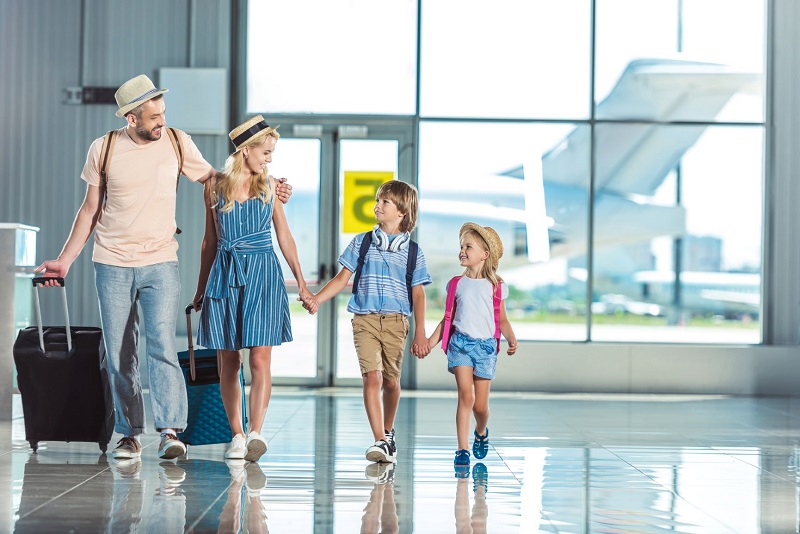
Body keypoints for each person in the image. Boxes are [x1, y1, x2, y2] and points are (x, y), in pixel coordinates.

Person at [34, 74, 292, 462]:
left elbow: (218, 178)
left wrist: (268, 184)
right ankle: (129, 434)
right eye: (154, 116)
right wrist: (64, 260)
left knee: (161, 347)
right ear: (131, 119)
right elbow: (89, 210)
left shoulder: (175, 141)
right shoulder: (103, 149)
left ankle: (171, 432)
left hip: (160, 260)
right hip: (112, 261)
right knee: (121, 353)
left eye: (163, 113)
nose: (162, 121)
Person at [192, 115, 314, 462]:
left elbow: (284, 236)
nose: (269, 158)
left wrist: (302, 283)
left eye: (271, 152)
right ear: (245, 150)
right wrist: (201, 289)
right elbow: (209, 242)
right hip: (226, 273)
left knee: (260, 359)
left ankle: (256, 432)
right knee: (229, 361)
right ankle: (237, 434)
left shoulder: (271, 187)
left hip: (263, 273)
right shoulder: (214, 187)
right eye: (265, 151)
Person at [304, 180, 431, 463]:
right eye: (377, 200)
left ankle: (388, 430)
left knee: (391, 382)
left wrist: (421, 333)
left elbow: (419, 295)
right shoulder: (361, 243)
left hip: (397, 323)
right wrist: (317, 300)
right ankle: (379, 441)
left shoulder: (413, 252)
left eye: (385, 202)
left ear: (402, 211)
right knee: (371, 377)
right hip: (365, 319)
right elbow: (341, 279)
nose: (377, 205)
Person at [423, 223, 518, 468]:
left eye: (468, 247)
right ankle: (462, 449)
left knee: (480, 406)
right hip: (460, 346)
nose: (462, 251)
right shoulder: (456, 284)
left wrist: (511, 337)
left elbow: (502, 319)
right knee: (465, 396)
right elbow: (447, 320)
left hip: (485, 349)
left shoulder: (496, 286)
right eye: (461, 247)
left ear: (485, 255)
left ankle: (481, 430)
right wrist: (430, 343)